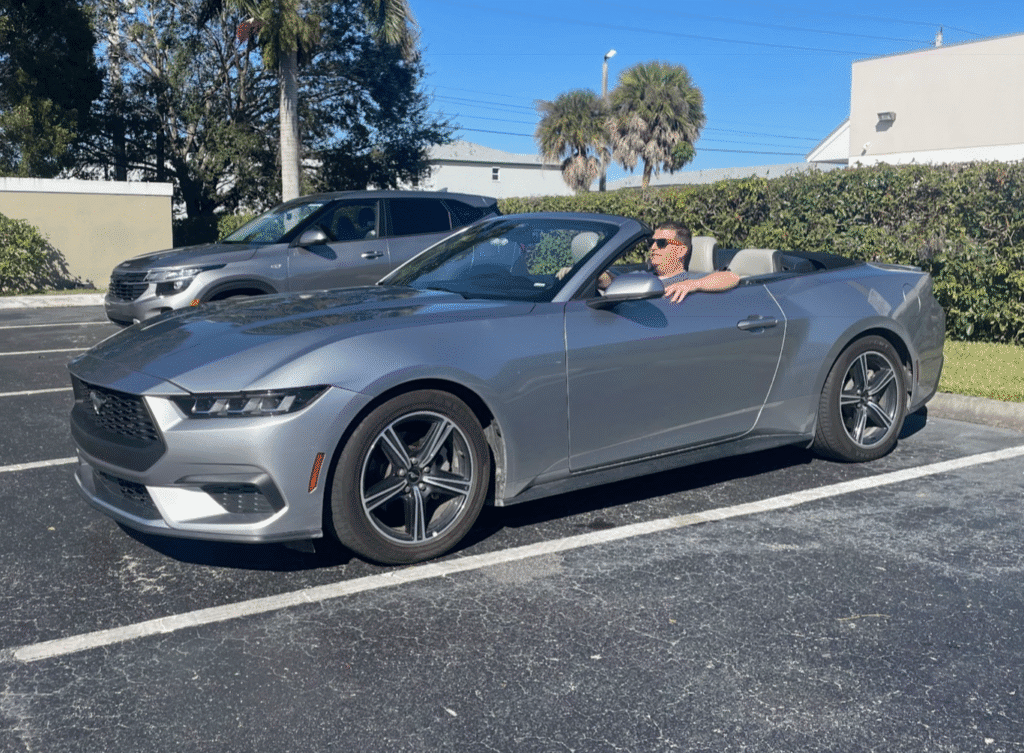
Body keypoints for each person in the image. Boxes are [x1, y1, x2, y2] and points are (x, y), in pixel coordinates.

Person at [650, 221, 739, 303]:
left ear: (681, 250)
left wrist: (693, 284)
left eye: (661, 243)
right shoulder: (644, 275)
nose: (653, 247)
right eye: (651, 242)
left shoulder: (690, 279)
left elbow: (732, 277)